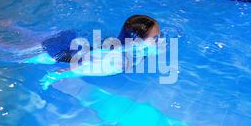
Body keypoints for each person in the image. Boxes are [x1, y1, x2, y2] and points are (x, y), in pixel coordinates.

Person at [24, 15, 161, 88]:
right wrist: (50, 79)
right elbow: (72, 70)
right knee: (22, 52)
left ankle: (13, 27)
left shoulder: (123, 46)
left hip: (77, 45)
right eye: (155, 37)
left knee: (34, 38)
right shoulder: (118, 63)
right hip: (61, 54)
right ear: (137, 41)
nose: (159, 39)